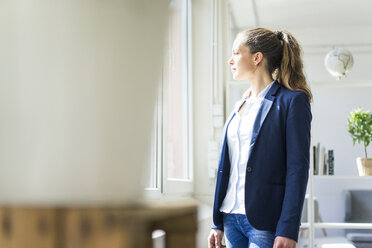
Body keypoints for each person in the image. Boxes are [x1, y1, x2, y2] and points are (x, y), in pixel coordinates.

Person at [208, 28, 312, 248]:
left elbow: (297, 169)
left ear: (257, 58)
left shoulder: (292, 101)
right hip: (230, 216)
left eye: (236, 53)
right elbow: (226, 165)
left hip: (264, 223)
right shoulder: (239, 105)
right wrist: (217, 222)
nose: (230, 60)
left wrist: (288, 228)